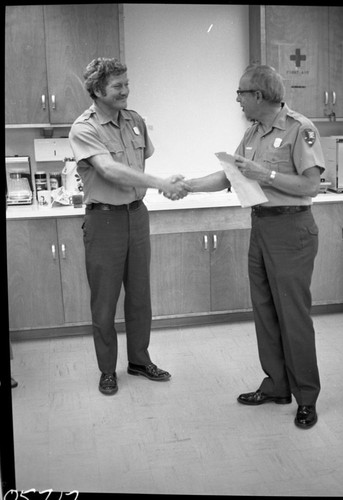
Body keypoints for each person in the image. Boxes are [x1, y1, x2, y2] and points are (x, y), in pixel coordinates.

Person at [182, 64, 325, 428]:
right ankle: (277, 385)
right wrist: (189, 186)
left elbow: (310, 186)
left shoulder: (300, 129)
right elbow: (230, 175)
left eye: (241, 92)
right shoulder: (252, 133)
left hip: (292, 229)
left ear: (258, 95)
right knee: (264, 313)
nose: (238, 98)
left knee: (293, 317)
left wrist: (267, 175)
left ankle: (306, 398)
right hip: (260, 228)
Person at [69, 57, 190, 395]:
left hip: (136, 215)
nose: (126, 91)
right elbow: (109, 170)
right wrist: (161, 183)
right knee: (104, 301)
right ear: (97, 90)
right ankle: (108, 370)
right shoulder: (85, 127)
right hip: (104, 219)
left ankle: (139, 360)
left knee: (140, 296)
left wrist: (159, 183)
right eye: (118, 86)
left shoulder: (135, 120)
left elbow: (143, 155)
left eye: (127, 84)